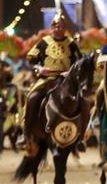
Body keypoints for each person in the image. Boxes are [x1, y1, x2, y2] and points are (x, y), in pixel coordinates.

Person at [21, 12, 81, 154]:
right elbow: (31, 59)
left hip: (66, 80)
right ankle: (26, 134)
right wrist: (40, 69)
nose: (58, 29)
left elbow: (80, 62)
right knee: (32, 98)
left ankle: (81, 135)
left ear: (64, 28)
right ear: (51, 28)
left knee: (83, 100)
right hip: (46, 79)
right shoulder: (44, 42)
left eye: (60, 26)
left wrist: (71, 72)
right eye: (55, 26)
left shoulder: (71, 43)